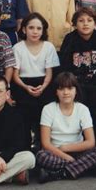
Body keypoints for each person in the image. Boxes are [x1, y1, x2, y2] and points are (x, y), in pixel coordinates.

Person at [36, 72, 96, 183]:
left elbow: (90, 142)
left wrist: (66, 148)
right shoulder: (48, 109)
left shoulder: (82, 109)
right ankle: (86, 168)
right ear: (56, 91)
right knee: (41, 156)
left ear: (76, 91)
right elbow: (46, 143)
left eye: (70, 88)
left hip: (78, 151)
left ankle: (58, 174)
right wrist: (65, 156)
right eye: (61, 89)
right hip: (56, 152)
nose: (66, 93)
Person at [59, 7, 96, 142]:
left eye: (89, 20)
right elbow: (65, 66)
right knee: (78, 107)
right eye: (81, 20)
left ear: (95, 23)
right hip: (76, 85)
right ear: (74, 24)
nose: (85, 23)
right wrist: (67, 86)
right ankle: (78, 140)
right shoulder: (70, 39)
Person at [12, 13, 60, 150]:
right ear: (24, 29)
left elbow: (49, 73)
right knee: (23, 115)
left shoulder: (48, 47)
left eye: (39, 28)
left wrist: (43, 87)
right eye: (31, 27)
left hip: (44, 84)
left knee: (44, 113)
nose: (35, 31)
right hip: (22, 85)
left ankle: (42, 146)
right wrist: (26, 87)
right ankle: (25, 148)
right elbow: (15, 75)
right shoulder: (18, 48)